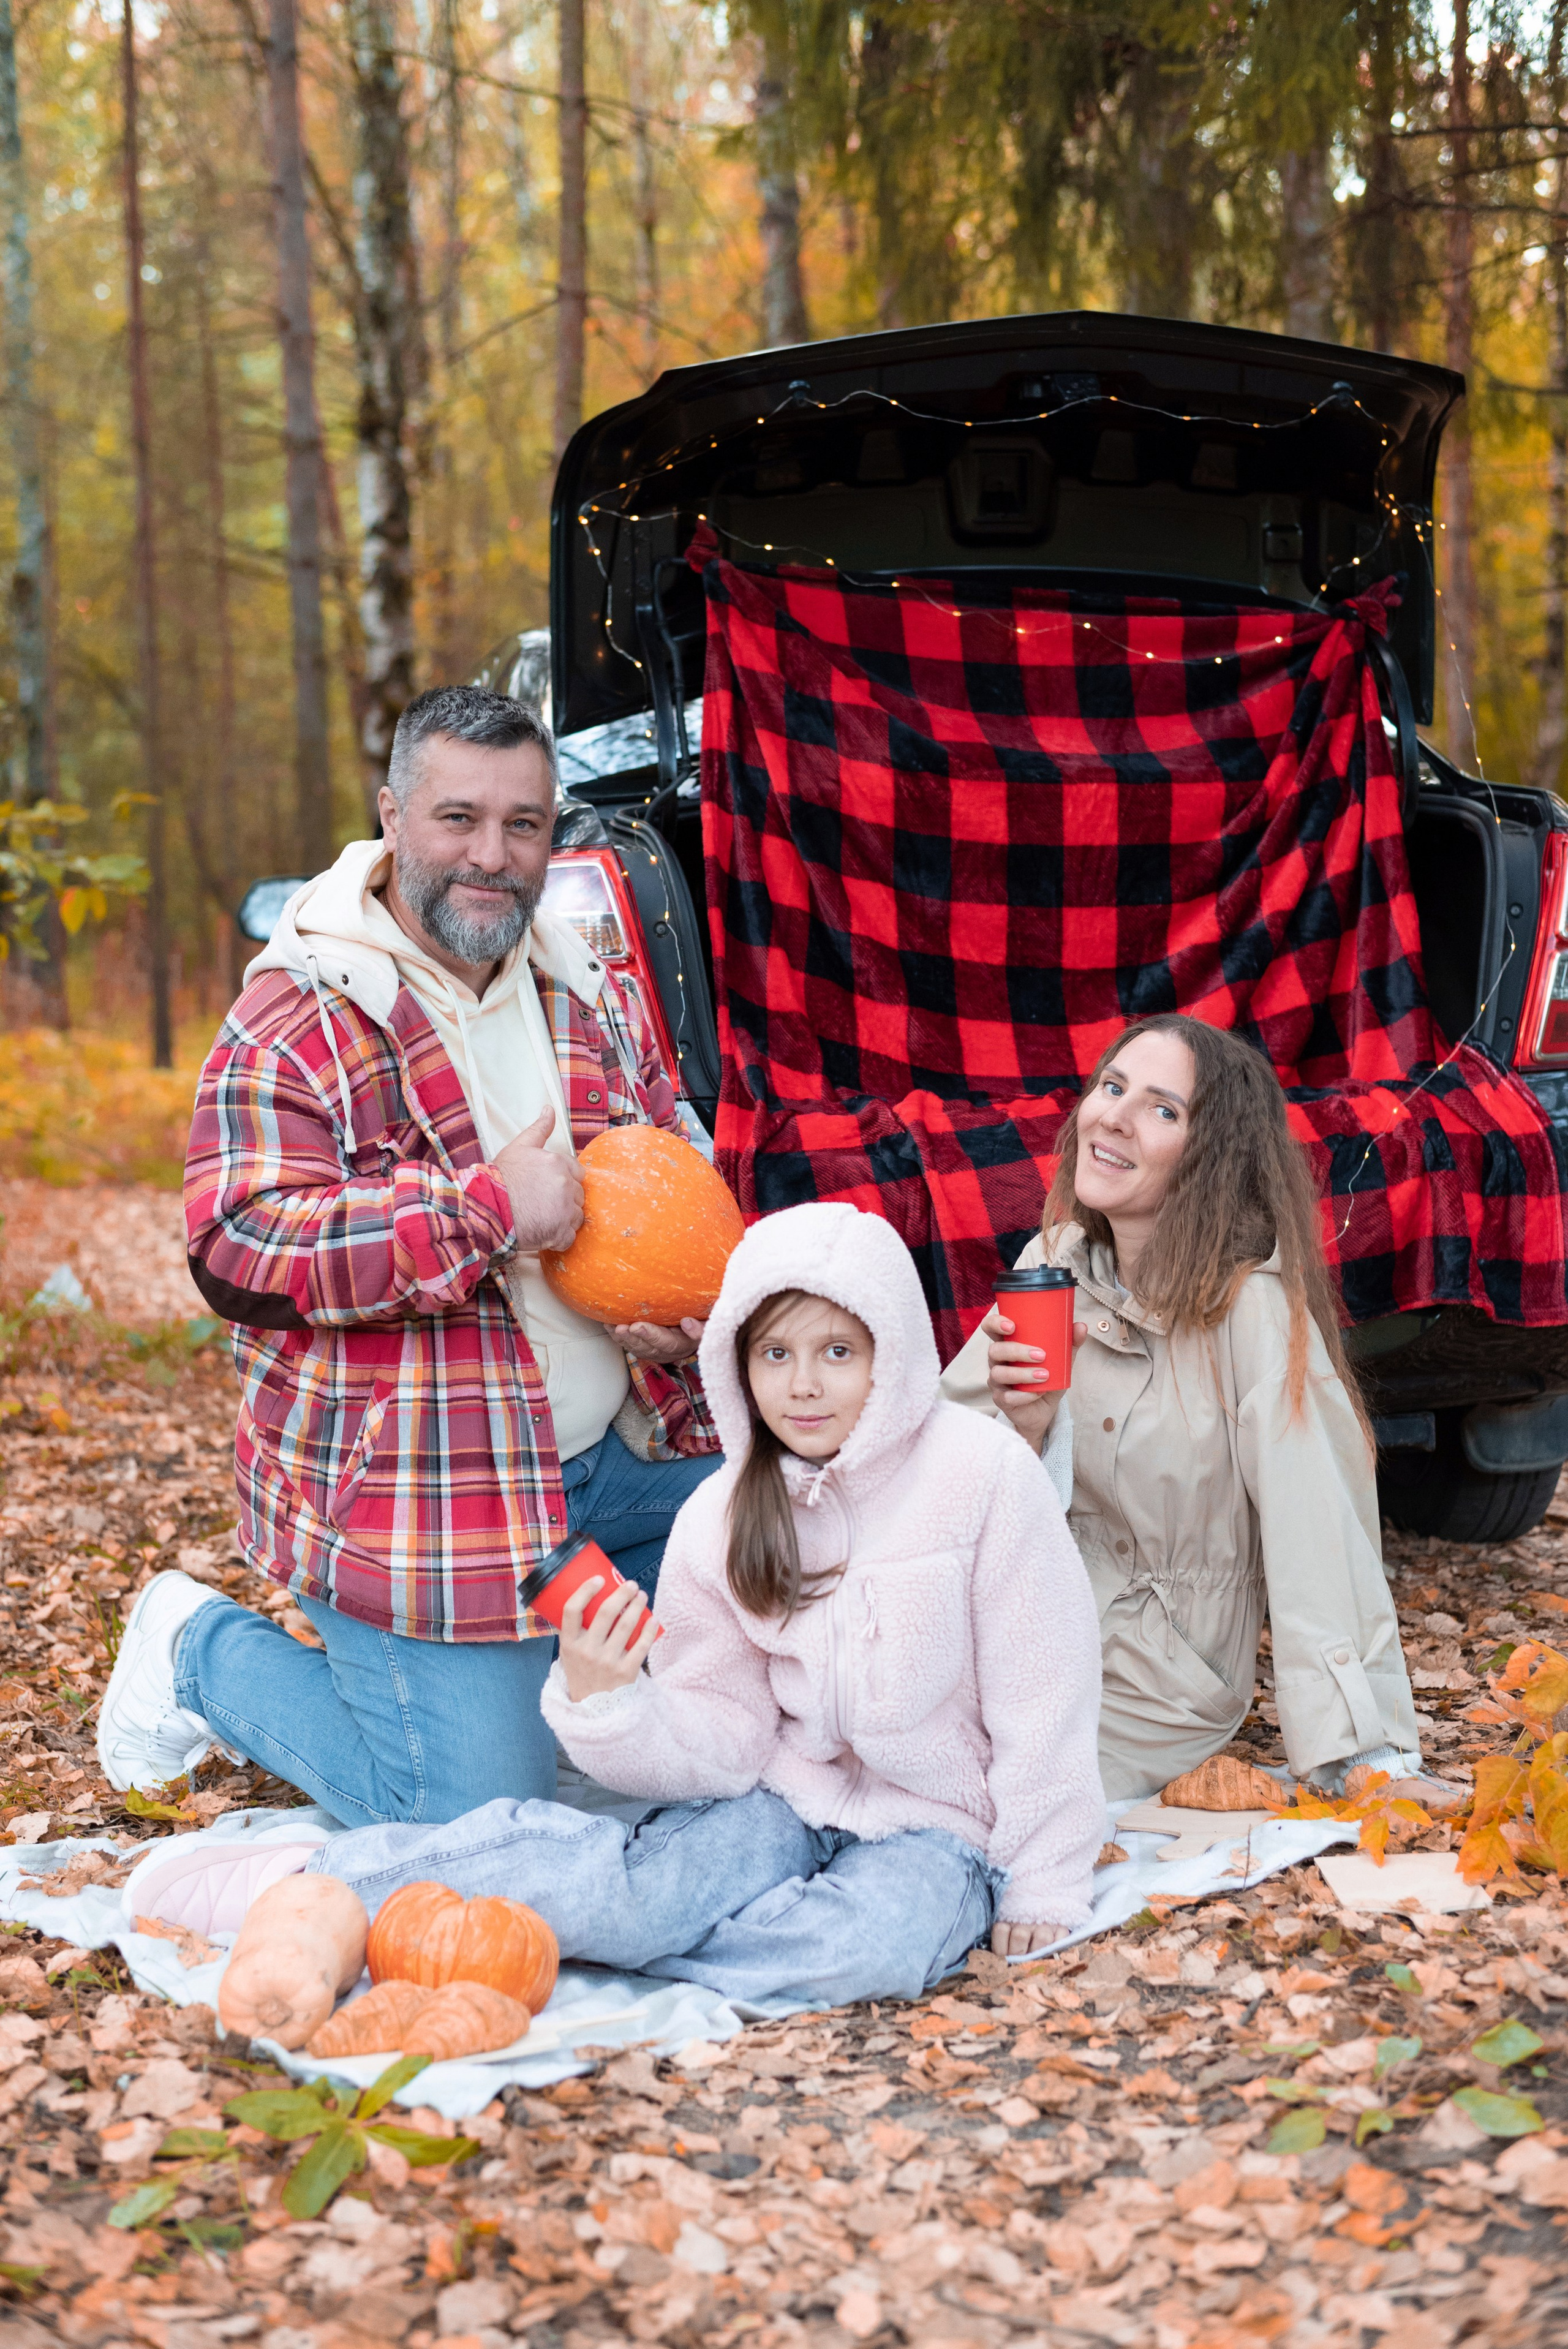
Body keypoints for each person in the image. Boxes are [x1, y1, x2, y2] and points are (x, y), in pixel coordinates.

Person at [125, 1203, 1106, 2004]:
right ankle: (324, 1883)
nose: (803, 1388)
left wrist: (1046, 1875)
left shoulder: (982, 1480)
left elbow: (1043, 1696)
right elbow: (720, 1725)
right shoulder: (727, 1508)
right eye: (774, 1357)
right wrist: (608, 1702)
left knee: (866, 1955)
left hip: (941, 1826)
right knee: (642, 1892)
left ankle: (624, 1942)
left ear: (889, 1355)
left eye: (836, 1354)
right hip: (780, 1794)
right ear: (737, 1364)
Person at [96, 685, 722, 1823]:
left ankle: (540, 1653)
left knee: (808, 1557)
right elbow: (238, 1248)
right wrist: (486, 1210)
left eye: (524, 824)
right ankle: (198, 1648)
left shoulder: (587, 987)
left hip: (614, 1468)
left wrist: (684, 1320)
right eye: (458, 819)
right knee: (482, 1816)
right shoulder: (301, 1011)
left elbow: (671, 1156)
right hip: (422, 1495)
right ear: (393, 815)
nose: (493, 855)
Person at [942, 1013, 1433, 1808]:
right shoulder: (1051, 1266)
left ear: (1211, 1158)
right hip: (1017, 1627)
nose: (1115, 1116)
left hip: (1159, 1675)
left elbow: (1321, 1534)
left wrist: (1358, 1750)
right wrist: (1025, 1434)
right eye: (1112, 1087)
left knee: (968, 1798)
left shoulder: (1253, 1316)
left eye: (1163, 1109)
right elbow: (938, 1476)